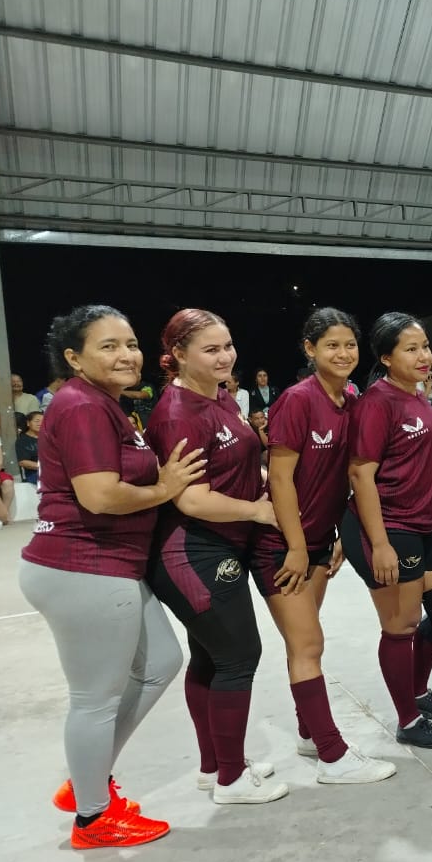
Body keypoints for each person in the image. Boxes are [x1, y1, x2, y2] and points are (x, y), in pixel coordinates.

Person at [22, 304, 205, 848]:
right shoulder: (82, 406)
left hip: (106, 566)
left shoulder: (104, 403)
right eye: (108, 346)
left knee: (161, 661)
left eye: (130, 343)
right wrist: (165, 489)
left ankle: (87, 778)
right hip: (82, 565)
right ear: (75, 358)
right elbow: (99, 495)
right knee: (95, 699)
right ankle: (93, 818)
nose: (127, 355)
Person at [145, 310, 289, 804]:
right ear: (178, 355)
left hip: (222, 544)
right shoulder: (177, 414)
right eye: (211, 349)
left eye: (227, 345)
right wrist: (259, 510)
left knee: (210, 657)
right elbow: (190, 499)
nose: (225, 356)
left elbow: (237, 464)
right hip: (192, 550)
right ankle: (230, 781)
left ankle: (215, 767)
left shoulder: (221, 395)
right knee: (239, 657)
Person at [253, 309, 397, 784]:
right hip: (282, 543)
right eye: (331, 345)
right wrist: (295, 546)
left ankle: (308, 732)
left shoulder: (351, 399)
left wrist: (334, 534)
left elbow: (341, 478)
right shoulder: (297, 400)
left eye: (350, 344)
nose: (343, 353)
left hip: (318, 540)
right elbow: (280, 479)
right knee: (309, 643)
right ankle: (333, 757)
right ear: (310, 349)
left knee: (304, 641)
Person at [342, 312, 432, 751]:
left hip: (423, 522)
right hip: (391, 525)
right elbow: (361, 474)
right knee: (401, 624)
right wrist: (379, 544)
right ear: (385, 358)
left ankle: (416, 690)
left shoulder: (416, 395)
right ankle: (408, 720)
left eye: (425, 346)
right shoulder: (377, 402)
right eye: (410, 349)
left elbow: (414, 457)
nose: (423, 356)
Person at [16, 410, 42, 485]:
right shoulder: (22, 441)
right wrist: (46, 467)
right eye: (37, 421)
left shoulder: (50, 438)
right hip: (35, 473)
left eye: (43, 421)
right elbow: (23, 462)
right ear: (28, 423)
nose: (40, 423)